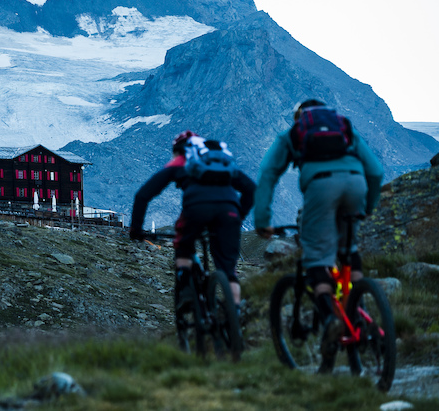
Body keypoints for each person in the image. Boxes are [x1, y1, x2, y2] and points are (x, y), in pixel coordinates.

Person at [254, 99, 384, 373]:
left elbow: (268, 173)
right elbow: (375, 170)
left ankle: (330, 320)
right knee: (348, 253)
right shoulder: (344, 127)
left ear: (299, 117)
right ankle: (358, 310)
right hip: (357, 184)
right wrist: (368, 208)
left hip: (321, 187)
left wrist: (263, 220)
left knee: (317, 258)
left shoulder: (294, 133)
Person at [130, 131, 256, 309]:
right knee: (228, 269)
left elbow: (143, 195)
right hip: (229, 211)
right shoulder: (220, 162)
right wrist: (238, 216)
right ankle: (234, 313)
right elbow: (251, 189)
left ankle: (187, 293)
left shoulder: (181, 161)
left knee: (183, 245)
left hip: (196, 209)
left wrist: (136, 229)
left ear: (178, 150)